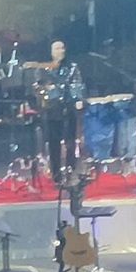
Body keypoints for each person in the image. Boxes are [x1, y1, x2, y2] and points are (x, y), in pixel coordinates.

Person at [35, 40, 86, 184]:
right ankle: (56, 175)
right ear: (51, 52)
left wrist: (79, 98)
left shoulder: (72, 67)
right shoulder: (43, 68)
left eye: (63, 48)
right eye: (57, 48)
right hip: (52, 109)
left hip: (68, 107)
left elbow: (78, 84)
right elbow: (38, 87)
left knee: (70, 141)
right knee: (54, 142)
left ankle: (71, 171)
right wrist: (45, 93)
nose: (61, 51)